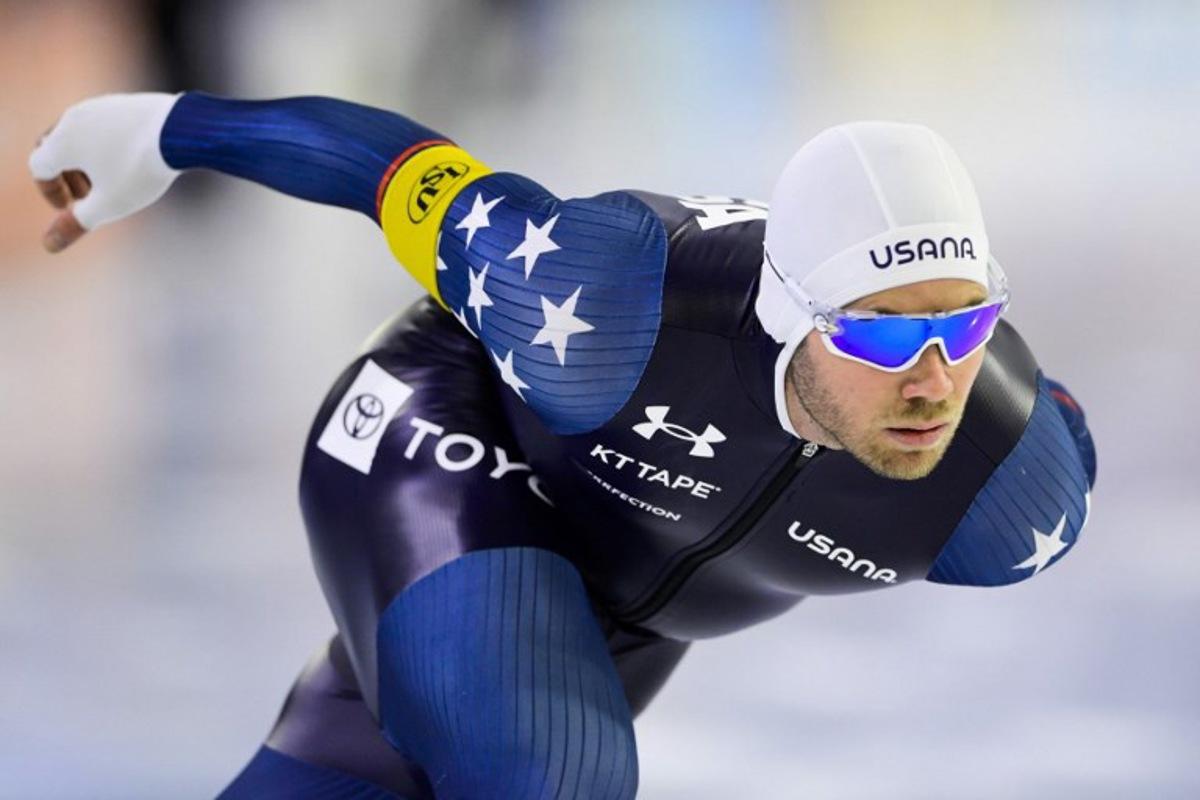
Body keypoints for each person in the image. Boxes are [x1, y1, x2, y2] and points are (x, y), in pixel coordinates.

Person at [30, 92, 1097, 800]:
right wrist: (166, 130)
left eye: (963, 325)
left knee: (379, 754)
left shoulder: (1006, 493)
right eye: (879, 329)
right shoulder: (602, 304)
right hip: (453, 428)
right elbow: (396, 170)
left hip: (634, 573)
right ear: (787, 309)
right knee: (548, 770)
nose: (933, 380)